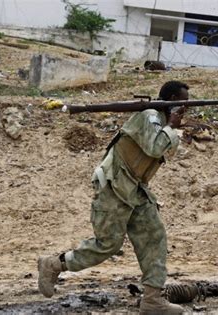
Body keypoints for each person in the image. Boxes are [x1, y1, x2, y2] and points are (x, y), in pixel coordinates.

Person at [37, 81, 189, 315]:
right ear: (171, 100)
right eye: (182, 102)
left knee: (154, 237)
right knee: (108, 244)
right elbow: (155, 147)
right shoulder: (150, 116)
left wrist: (171, 127)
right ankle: (54, 264)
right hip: (114, 186)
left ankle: (152, 300)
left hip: (135, 190)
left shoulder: (160, 121)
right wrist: (171, 125)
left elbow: (168, 148)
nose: (186, 108)